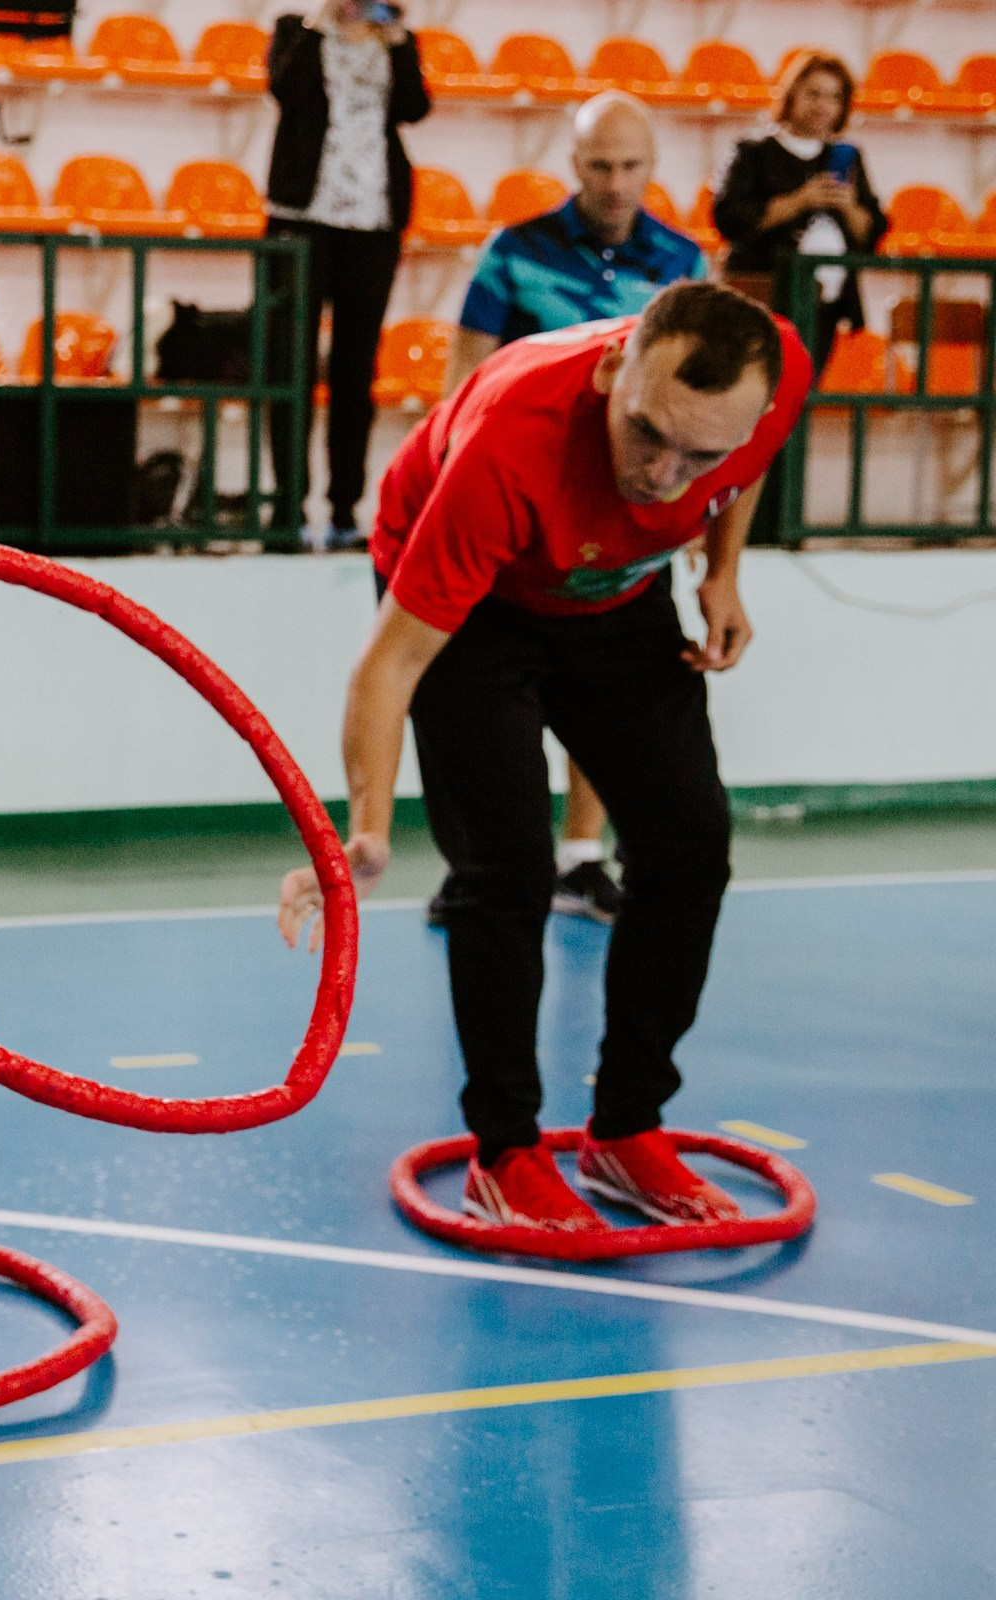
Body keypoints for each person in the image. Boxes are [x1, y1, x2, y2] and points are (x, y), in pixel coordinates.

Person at [278, 283, 811, 1231]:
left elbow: (745, 467)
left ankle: (625, 1129)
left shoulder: (771, 379)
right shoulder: (510, 442)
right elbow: (391, 661)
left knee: (690, 841)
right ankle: (506, 1151)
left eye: (701, 453)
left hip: (611, 593)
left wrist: (723, 570)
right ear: (614, 371)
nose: (664, 474)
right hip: (475, 608)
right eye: (647, 434)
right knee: (506, 874)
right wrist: (362, 829)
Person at [434, 91, 707, 928]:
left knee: (602, 696)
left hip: (624, 514)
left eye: (631, 165)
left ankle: (581, 859)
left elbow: (711, 401)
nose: (616, 183)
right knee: (485, 707)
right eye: (599, 166)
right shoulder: (514, 253)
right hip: (517, 512)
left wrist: (710, 545)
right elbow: (465, 381)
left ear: (653, 165)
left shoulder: (684, 262)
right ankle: (481, 863)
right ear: (573, 166)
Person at [262, 0, 429, 549]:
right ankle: (288, 505)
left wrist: (398, 42)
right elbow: (286, 89)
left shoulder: (395, 39)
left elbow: (414, 106)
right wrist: (321, 25)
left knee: (357, 371)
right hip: (300, 219)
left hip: (373, 221)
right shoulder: (296, 29)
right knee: (291, 364)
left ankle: (343, 508)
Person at [714, 50, 886, 371]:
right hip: (763, 294)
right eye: (813, 94)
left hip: (826, 305)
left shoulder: (847, 156)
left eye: (834, 97)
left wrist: (848, 208)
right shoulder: (753, 151)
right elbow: (730, 216)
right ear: (792, 94)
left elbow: (873, 228)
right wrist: (801, 200)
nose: (823, 106)